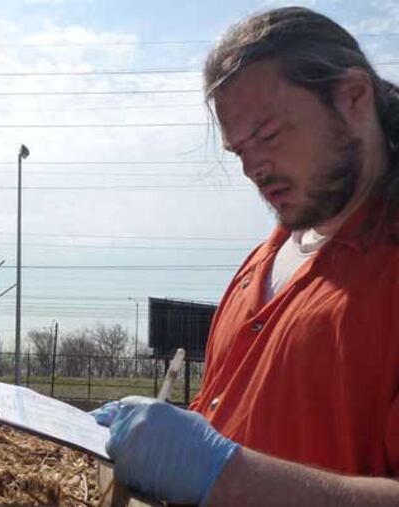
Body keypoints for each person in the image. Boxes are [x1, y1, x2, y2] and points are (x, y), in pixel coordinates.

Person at [92, 7, 399, 506]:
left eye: (270, 135)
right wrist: (165, 440)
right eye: (239, 152)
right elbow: (226, 426)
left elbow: (220, 466)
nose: (253, 168)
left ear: (354, 98)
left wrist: (226, 474)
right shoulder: (262, 261)